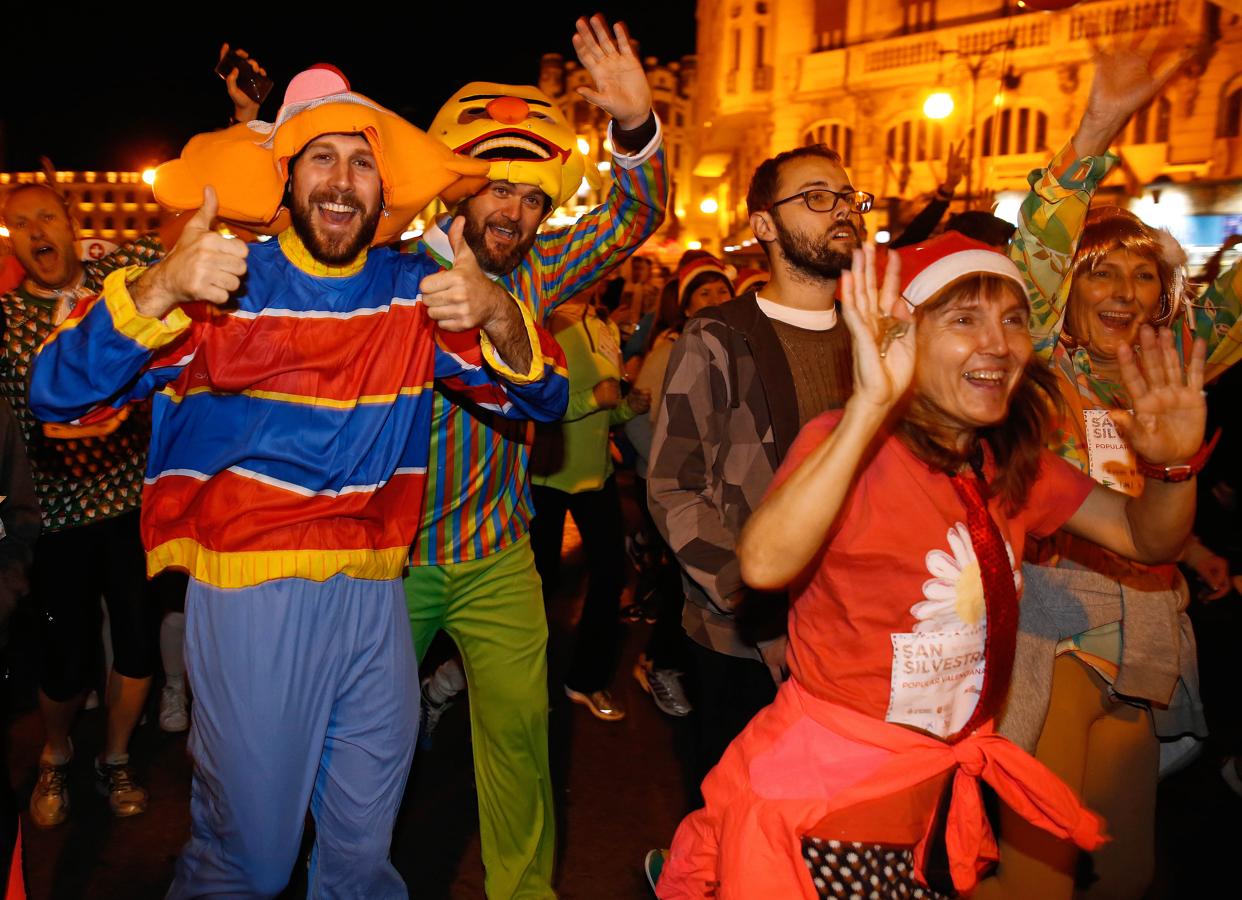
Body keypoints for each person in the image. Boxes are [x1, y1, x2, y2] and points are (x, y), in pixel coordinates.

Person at [28, 66, 566, 898]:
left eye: (361, 160)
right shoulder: (222, 281)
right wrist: (164, 284)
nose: (342, 179)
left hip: (378, 593)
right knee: (250, 857)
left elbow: (541, 395)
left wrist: (494, 308)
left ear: (383, 187)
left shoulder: (410, 292)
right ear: (288, 177)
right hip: (255, 594)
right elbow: (57, 392)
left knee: (360, 854)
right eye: (322, 158)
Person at [656, 234, 1208, 900]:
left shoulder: (1009, 466)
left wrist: (1171, 469)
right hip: (829, 813)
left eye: (1011, 320)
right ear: (904, 337)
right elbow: (765, 565)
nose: (998, 342)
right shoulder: (846, 448)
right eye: (965, 319)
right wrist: (867, 409)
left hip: (931, 803)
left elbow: (1143, 539)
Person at [404, 14, 665, 896]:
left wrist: (634, 126)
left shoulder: (540, 269)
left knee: (523, 736)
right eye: (496, 190)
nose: (513, 211)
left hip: (498, 561)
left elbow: (636, 211)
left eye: (532, 197)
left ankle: (524, 891)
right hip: (386, 562)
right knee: (357, 743)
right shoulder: (388, 266)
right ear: (457, 190)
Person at [647, 142, 865, 779]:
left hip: (852, 632)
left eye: (848, 197)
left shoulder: (873, 337)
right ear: (765, 225)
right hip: (744, 642)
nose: (842, 211)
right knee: (733, 835)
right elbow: (674, 489)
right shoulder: (718, 336)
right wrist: (757, 614)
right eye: (817, 198)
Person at [0, 182, 167, 826]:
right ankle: (57, 750)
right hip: (54, 519)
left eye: (46, 216)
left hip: (131, 505)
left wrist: (245, 118)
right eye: (21, 224)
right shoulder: (9, 317)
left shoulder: (121, 277)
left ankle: (116, 757)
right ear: (14, 240)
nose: (37, 231)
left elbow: (187, 234)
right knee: (65, 661)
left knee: (136, 646)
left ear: (71, 224)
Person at [530, 280, 651, 719]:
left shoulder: (605, 328)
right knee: (537, 585)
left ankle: (586, 680)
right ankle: (523, 684)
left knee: (611, 576)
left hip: (596, 476)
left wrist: (628, 408)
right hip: (546, 475)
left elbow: (609, 405)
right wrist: (588, 399)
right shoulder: (544, 320)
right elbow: (529, 401)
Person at [627, 254, 734, 718]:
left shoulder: (732, 343)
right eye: (704, 293)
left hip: (718, 493)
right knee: (681, 582)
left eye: (721, 291)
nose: (715, 299)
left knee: (696, 583)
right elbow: (637, 420)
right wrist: (668, 477)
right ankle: (658, 663)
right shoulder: (672, 348)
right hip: (680, 494)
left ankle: (680, 662)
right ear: (686, 305)